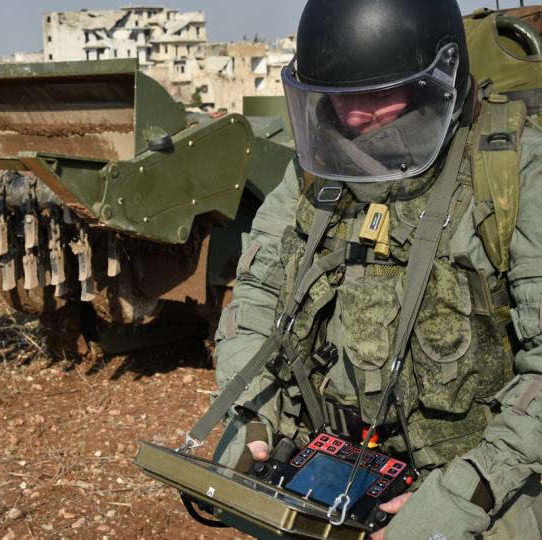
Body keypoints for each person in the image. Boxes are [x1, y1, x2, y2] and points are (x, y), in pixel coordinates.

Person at [212, 0, 542, 538]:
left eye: (378, 95)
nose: (357, 118)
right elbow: (253, 301)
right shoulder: (311, 176)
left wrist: (468, 490)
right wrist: (253, 413)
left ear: (439, 81)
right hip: (325, 468)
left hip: (481, 478)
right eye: (340, 100)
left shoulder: (518, 173)